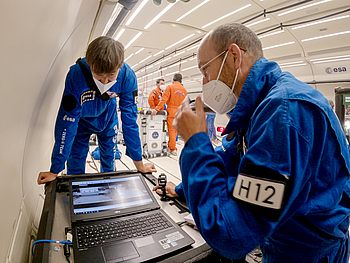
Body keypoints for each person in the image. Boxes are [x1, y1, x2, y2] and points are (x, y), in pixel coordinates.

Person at [171, 23, 350, 262]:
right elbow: (235, 161)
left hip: (306, 253)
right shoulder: (259, 107)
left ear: (233, 56)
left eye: (205, 70)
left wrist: (195, 141)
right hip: (283, 239)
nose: (205, 83)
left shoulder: (284, 112)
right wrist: (183, 190)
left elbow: (231, 235)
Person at [37, 36, 156, 184]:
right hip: (81, 122)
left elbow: (130, 121)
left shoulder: (127, 77)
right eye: (99, 76)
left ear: (120, 66)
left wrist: (139, 164)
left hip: (108, 121)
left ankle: (108, 192)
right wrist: (55, 169)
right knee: (75, 162)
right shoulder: (76, 75)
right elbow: (67, 121)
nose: (105, 81)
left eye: (111, 75)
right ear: (90, 65)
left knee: (109, 160)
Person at [152, 73, 187, 156]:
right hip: (180, 112)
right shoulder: (184, 90)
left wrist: (156, 109)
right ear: (181, 80)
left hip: (172, 111)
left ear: (173, 79)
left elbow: (163, 100)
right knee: (176, 131)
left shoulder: (170, 87)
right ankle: (172, 146)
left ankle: (172, 148)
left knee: (171, 130)